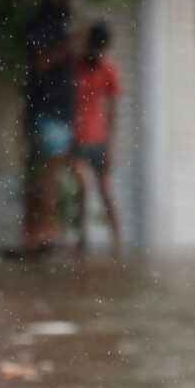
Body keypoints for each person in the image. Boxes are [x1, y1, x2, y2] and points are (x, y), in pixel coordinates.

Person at [20, 0, 77, 253]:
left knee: (49, 171)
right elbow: (41, 62)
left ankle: (42, 229)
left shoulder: (59, 25)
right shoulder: (43, 26)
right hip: (46, 110)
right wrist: (68, 45)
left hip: (57, 110)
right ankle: (41, 230)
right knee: (48, 173)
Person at [70, 22, 123, 256]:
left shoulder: (108, 70)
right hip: (76, 139)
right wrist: (79, 35)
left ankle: (117, 241)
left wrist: (111, 145)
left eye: (100, 49)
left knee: (105, 191)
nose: (96, 53)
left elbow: (113, 110)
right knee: (82, 185)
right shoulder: (74, 66)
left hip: (99, 139)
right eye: (94, 47)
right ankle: (82, 238)